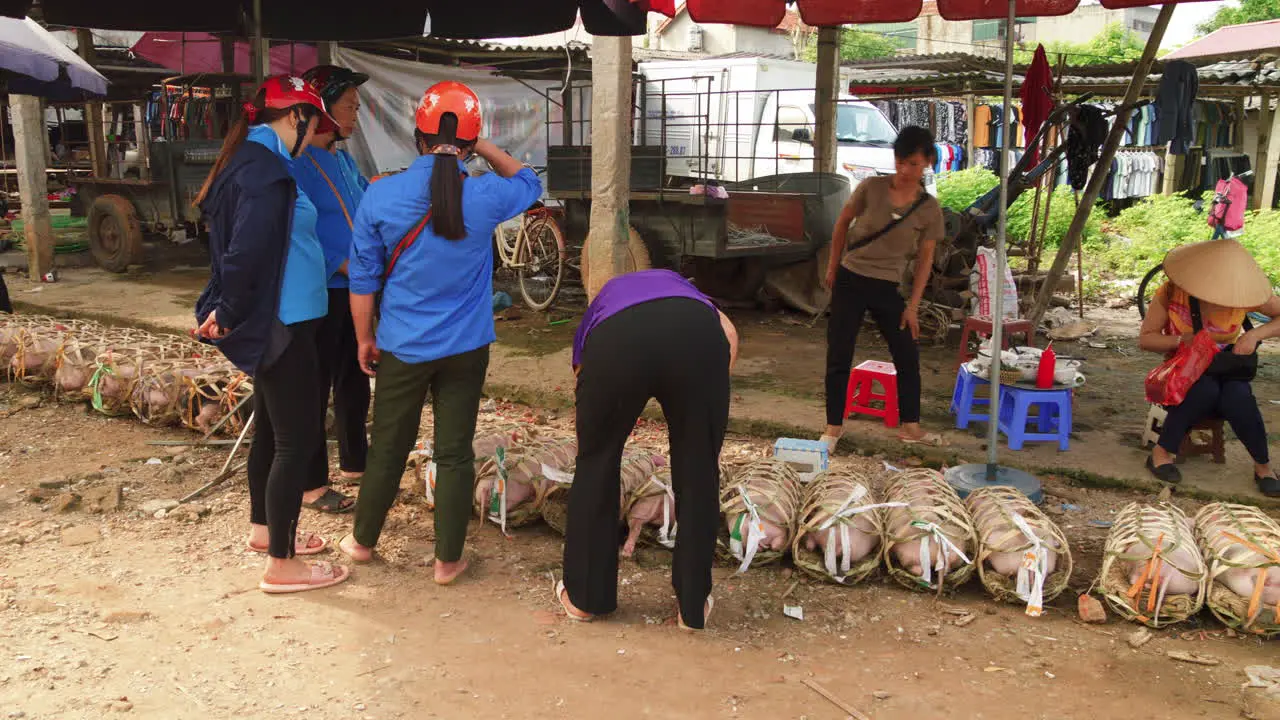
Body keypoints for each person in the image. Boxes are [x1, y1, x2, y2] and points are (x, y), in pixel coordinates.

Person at [338, 81, 541, 584]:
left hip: (402, 347)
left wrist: (365, 337)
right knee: (453, 452)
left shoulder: (381, 193)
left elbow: (363, 279)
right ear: (469, 142)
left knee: (387, 445)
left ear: (416, 137)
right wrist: (481, 146)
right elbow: (530, 182)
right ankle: (447, 560)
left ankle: (363, 543)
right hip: (466, 349)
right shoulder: (485, 195)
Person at [194, 75, 350, 593]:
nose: (314, 135)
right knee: (296, 439)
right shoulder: (263, 171)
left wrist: (226, 305)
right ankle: (283, 563)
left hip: (283, 318)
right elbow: (244, 251)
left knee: (271, 430)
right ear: (294, 117)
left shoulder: (258, 163)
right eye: (314, 123)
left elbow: (239, 247)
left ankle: (265, 531)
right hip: (282, 323)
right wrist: (229, 307)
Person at [555, 269, 738, 630]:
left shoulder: (605, 301)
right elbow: (729, 339)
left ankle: (584, 599)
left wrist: (591, 444)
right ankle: (692, 606)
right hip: (699, 342)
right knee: (700, 469)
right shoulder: (699, 302)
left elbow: (582, 371)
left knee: (597, 462)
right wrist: (706, 425)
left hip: (618, 344)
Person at [820, 125, 944, 453]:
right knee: (839, 352)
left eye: (915, 164)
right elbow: (842, 223)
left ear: (928, 162)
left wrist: (913, 306)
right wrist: (833, 265)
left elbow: (924, 262)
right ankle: (833, 427)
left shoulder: (929, 209)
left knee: (906, 352)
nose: (906, 170)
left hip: (888, 286)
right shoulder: (871, 187)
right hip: (851, 278)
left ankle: (911, 426)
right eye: (902, 162)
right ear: (895, 159)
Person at [291, 64, 373, 515]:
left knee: (354, 377)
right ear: (321, 107)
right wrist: (335, 261)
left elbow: (364, 201)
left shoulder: (342, 159)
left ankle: (357, 462)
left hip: (353, 288)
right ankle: (311, 484)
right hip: (320, 289)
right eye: (349, 106)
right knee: (314, 385)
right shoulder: (298, 164)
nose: (356, 114)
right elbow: (293, 229)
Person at [1139, 239, 1280, 496]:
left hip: (1226, 365)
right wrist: (1182, 340)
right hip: (1183, 370)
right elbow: (1146, 339)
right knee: (1203, 390)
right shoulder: (1171, 292)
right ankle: (1161, 453)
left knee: (1238, 396)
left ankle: (1263, 467)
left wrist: (1253, 336)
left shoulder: (1242, 294)